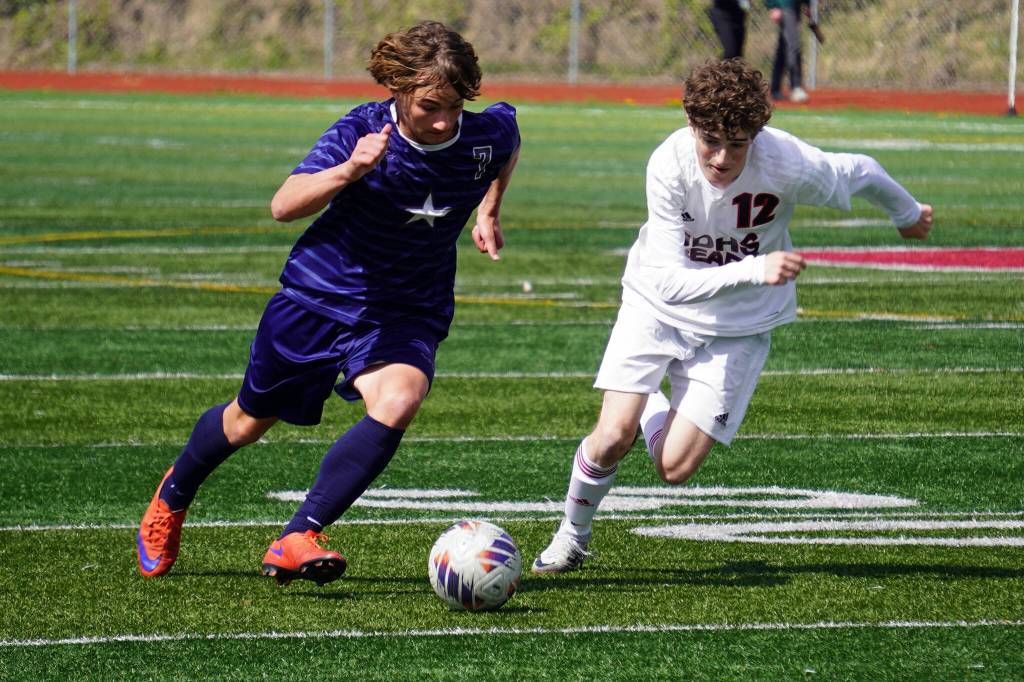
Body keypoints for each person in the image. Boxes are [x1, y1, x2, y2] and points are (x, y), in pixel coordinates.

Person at [136, 20, 520, 586]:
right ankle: (174, 493)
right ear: (397, 89)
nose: (444, 121)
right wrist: (350, 170)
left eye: (456, 106)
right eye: (430, 106)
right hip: (317, 299)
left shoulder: (486, 135)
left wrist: (489, 210)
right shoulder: (362, 131)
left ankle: (300, 533)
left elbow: (508, 143)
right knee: (246, 423)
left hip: (407, 307)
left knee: (400, 398)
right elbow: (284, 205)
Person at [532, 58, 932, 574]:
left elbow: (861, 172)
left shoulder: (788, 162)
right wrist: (755, 267)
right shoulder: (668, 164)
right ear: (690, 124)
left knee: (673, 468)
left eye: (738, 144)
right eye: (710, 141)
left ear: (757, 135)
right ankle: (573, 535)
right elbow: (672, 283)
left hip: (738, 327)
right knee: (609, 436)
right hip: (657, 307)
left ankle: (648, 407)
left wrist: (907, 214)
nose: (721, 158)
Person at [766, 0, 810, 103]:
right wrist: (773, 5)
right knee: (793, 45)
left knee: (783, 48)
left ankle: (775, 88)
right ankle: (795, 86)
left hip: (795, 6)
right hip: (784, 5)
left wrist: (808, 5)